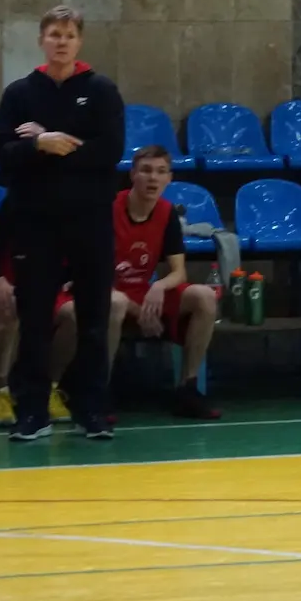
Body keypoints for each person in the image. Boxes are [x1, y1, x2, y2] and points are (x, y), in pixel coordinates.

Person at [0, 4, 126, 443]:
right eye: (54, 34)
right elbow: (4, 155)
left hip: (89, 219)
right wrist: (37, 146)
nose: (62, 42)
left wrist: (52, 144)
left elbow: (109, 152)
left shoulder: (101, 90)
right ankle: (32, 412)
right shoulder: (19, 93)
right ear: (42, 40)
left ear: (79, 41)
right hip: (36, 221)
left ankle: (91, 408)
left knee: (94, 317)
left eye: (69, 35)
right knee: (34, 319)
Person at [93, 146, 219, 420]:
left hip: (141, 292)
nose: (153, 178)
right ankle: (98, 391)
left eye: (161, 172)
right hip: (103, 293)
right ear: (132, 175)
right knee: (116, 302)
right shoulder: (107, 209)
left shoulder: (167, 213)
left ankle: (187, 388)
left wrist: (159, 286)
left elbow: (179, 272)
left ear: (169, 178)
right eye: (146, 170)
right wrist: (138, 310)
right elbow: (94, 275)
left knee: (204, 296)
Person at [0, 203, 74, 428]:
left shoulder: (68, 211)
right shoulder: (15, 206)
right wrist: (0, 283)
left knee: (74, 314)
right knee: (17, 306)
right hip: (2, 289)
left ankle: (50, 388)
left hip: (46, 292)